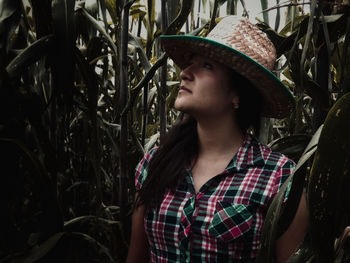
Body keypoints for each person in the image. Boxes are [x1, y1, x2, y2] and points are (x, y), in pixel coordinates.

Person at [126, 16, 308, 263]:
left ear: (237, 94)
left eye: (207, 66)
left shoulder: (279, 179)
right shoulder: (155, 163)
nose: (185, 73)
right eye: (190, 63)